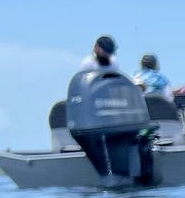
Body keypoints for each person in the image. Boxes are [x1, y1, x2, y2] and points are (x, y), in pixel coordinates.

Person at [65, 36, 155, 184]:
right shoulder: (87, 64)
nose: (107, 55)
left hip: (113, 109)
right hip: (96, 112)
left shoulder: (114, 63)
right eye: (105, 51)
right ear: (97, 49)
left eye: (109, 52)